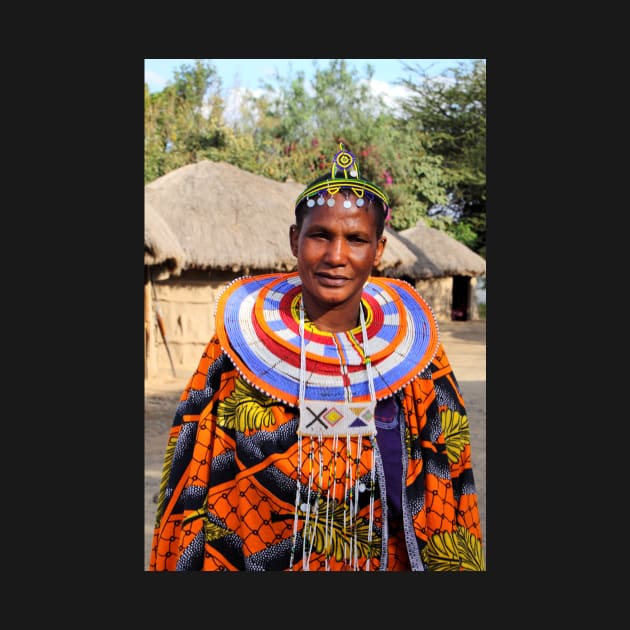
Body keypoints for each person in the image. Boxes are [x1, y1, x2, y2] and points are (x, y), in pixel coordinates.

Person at [148, 144, 485, 571]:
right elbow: (193, 474)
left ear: (378, 250)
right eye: (320, 235)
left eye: (357, 239)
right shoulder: (237, 348)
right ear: (295, 239)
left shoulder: (417, 356)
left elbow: (448, 480)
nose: (336, 256)